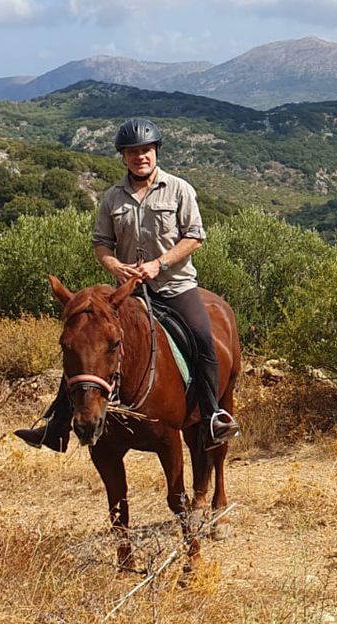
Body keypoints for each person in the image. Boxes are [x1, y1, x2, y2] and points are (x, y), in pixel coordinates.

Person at [14, 117, 240, 451]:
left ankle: (211, 416)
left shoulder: (179, 189)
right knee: (85, 345)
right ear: (123, 157)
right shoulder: (112, 198)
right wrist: (114, 265)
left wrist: (158, 264)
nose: (140, 157)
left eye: (146, 150)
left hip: (175, 286)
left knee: (203, 339)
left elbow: (194, 237)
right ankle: (56, 426)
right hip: (126, 293)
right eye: (133, 152)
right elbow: (101, 243)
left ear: (156, 152)